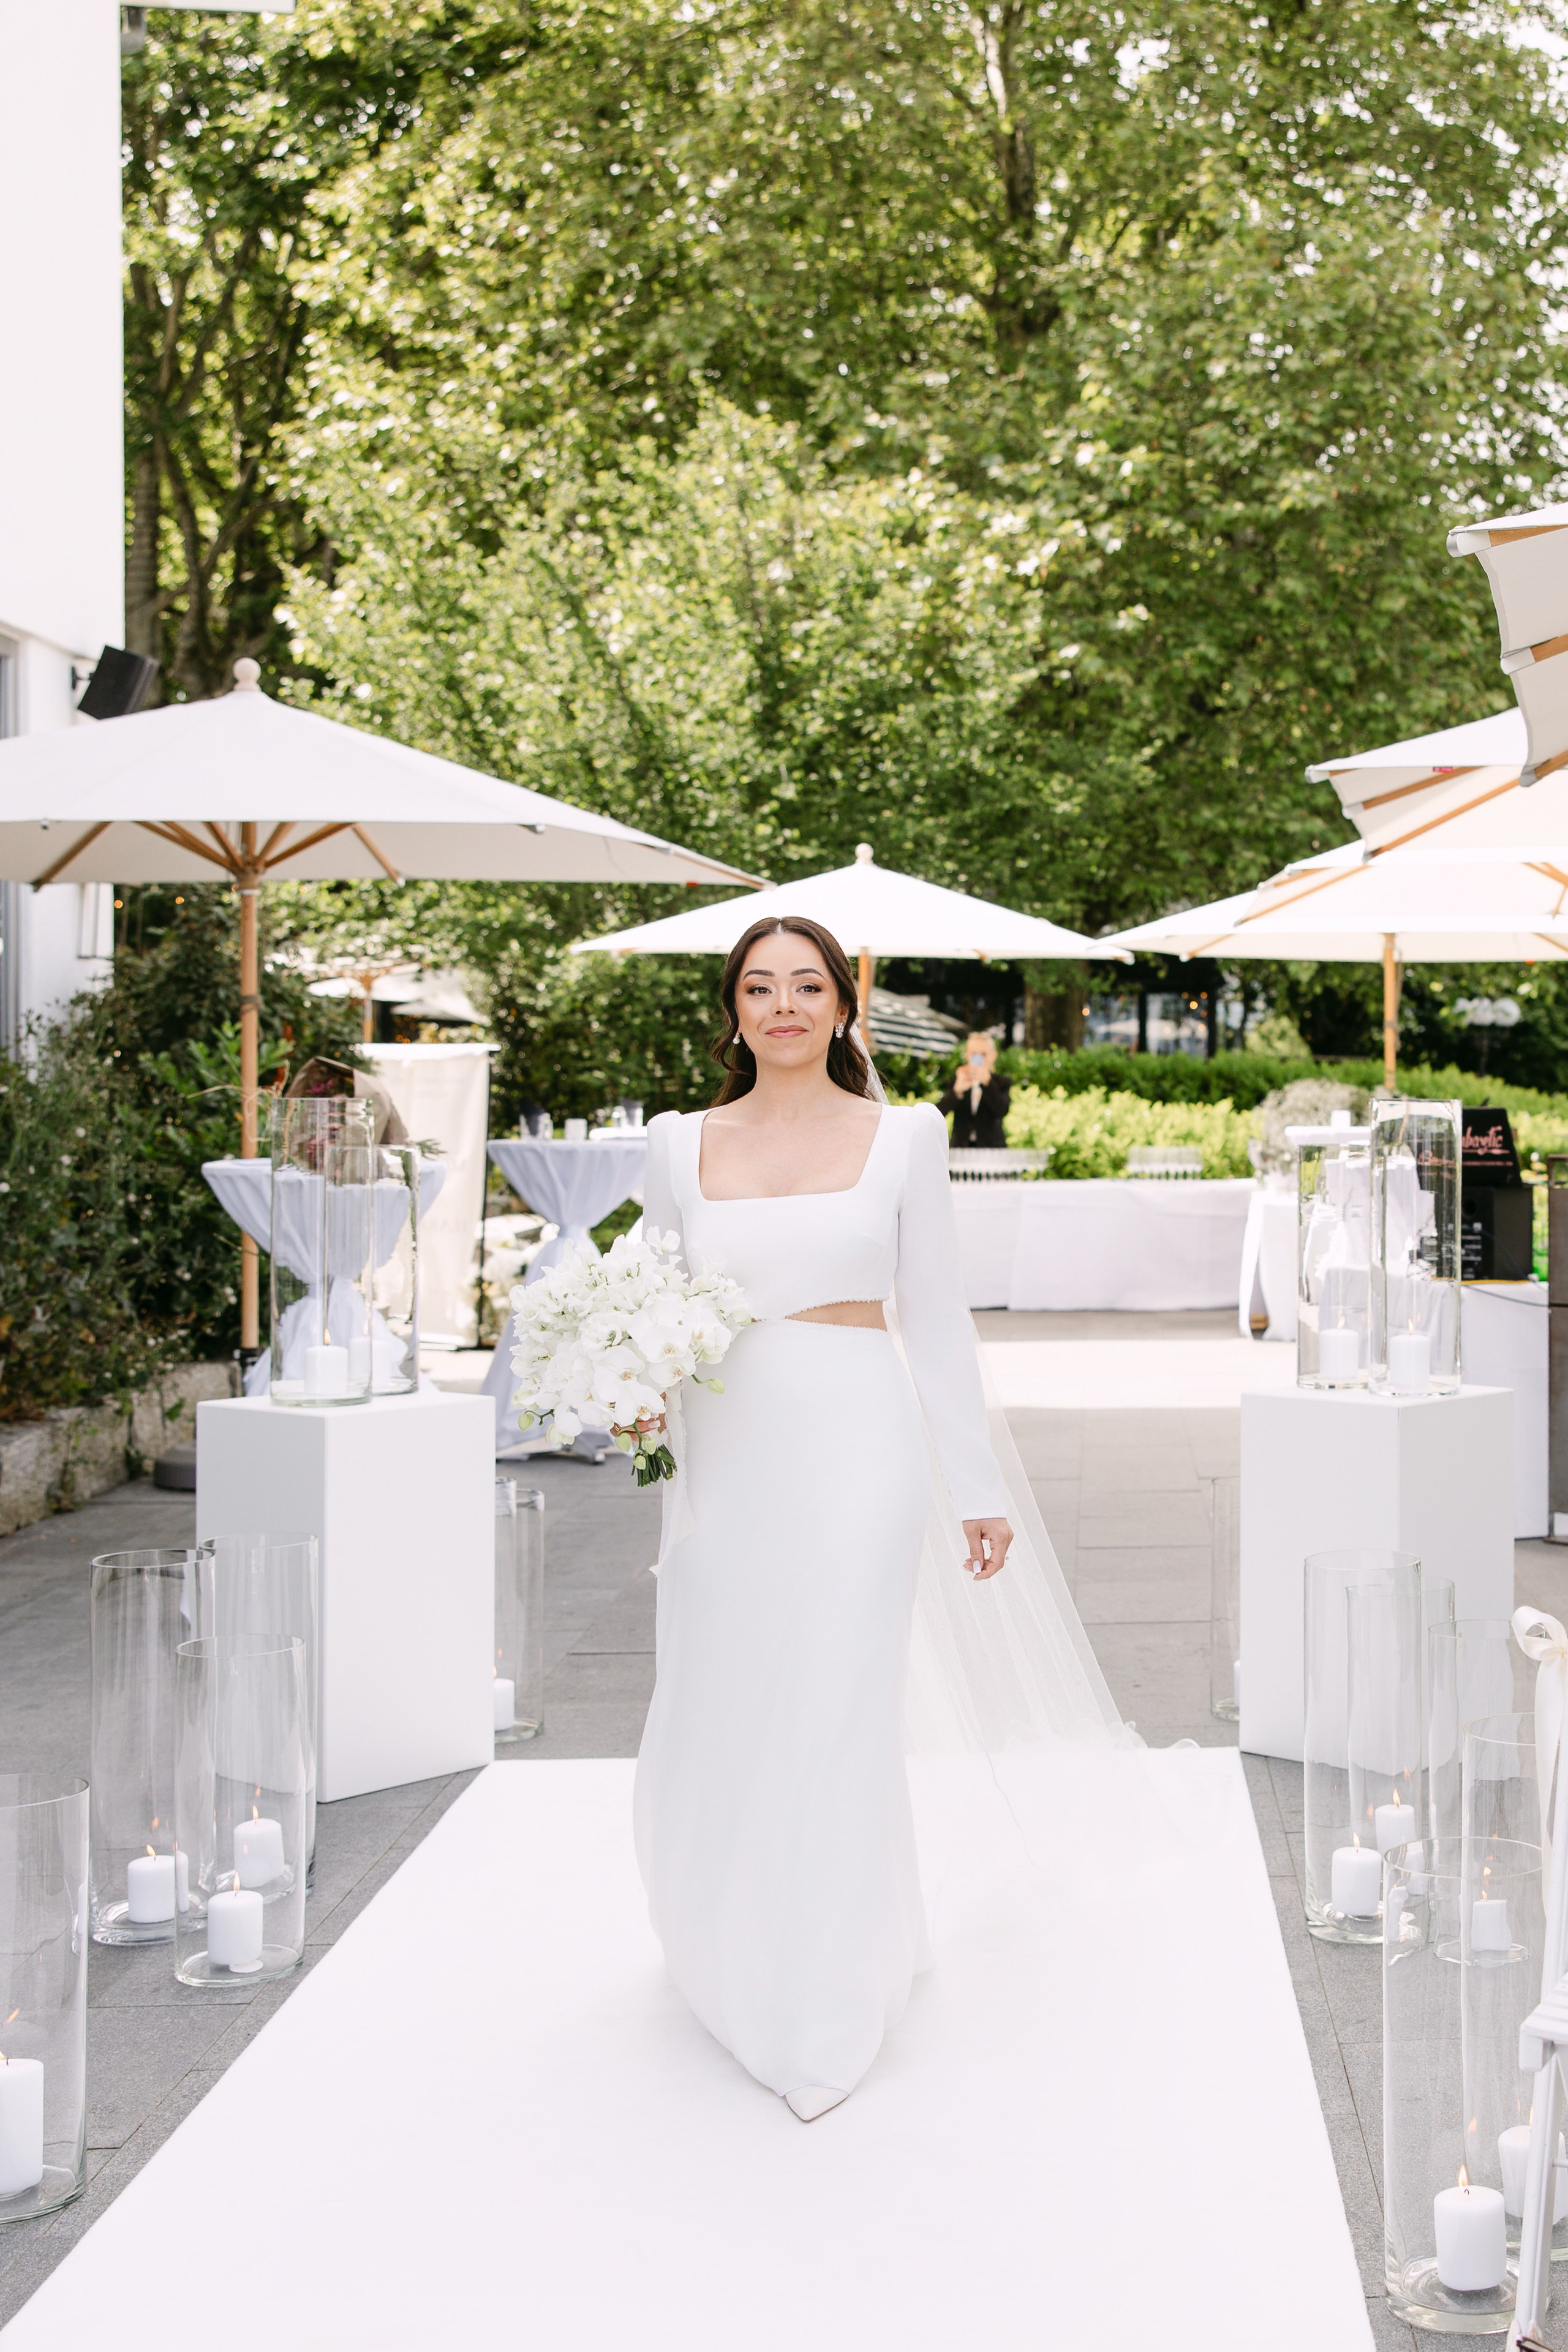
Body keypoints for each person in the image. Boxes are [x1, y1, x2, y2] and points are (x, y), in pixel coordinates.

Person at [635, 916, 1016, 2124]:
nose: (784, 1005)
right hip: (728, 1455)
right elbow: (642, 1305)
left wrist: (978, 1487)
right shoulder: (674, 1143)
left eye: (807, 985)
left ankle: (822, 2004)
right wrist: (632, 1401)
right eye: (760, 986)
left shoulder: (902, 1138)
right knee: (732, 1692)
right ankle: (738, 1944)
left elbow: (938, 1321)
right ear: (733, 1010)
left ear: (843, 1007)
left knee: (839, 1704)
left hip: (861, 1446)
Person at [938, 1031, 1011, 1148]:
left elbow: (1002, 1110)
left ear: (993, 1056)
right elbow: (939, 1113)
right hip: (961, 1150)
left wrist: (988, 1084)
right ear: (967, 1055)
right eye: (974, 1054)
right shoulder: (957, 1081)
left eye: (983, 1054)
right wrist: (957, 1092)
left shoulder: (1001, 1083)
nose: (979, 1059)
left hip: (991, 1150)